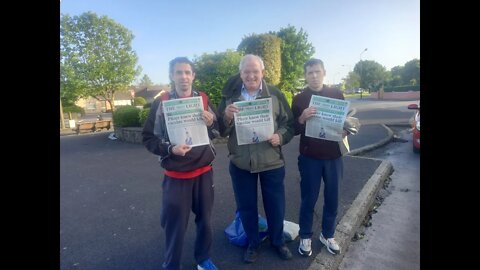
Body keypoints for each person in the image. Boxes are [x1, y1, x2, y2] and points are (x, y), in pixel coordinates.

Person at [142, 57, 220, 270]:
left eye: (187, 72)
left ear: (193, 75)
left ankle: (203, 259)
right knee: (174, 225)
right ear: (172, 76)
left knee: (205, 220)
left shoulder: (203, 99)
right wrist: (170, 148)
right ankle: (172, 264)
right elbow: (149, 138)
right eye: (178, 72)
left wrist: (212, 122)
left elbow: (218, 129)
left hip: (204, 172)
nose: (183, 77)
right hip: (176, 176)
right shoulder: (162, 102)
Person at [217, 54, 295, 263]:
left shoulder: (276, 94)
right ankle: (253, 243)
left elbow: (290, 124)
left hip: (271, 161)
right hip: (241, 163)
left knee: (275, 205)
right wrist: (225, 117)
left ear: (263, 73)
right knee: (246, 206)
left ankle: (278, 241)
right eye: (246, 71)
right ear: (240, 73)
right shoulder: (229, 97)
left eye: (255, 71)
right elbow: (219, 130)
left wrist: (281, 136)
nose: (251, 75)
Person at [292, 58, 360, 257]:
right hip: (309, 157)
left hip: (333, 156)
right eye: (310, 72)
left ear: (324, 73)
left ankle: (328, 234)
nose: (314, 76)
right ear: (305, 75)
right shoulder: (299, 99)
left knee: (332, 197)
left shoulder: (336, 94)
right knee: (308, 198)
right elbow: (293, 129)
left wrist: (346, 130)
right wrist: (302, 118)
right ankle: (305, 234)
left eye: (317, 72)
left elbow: (344, 122)